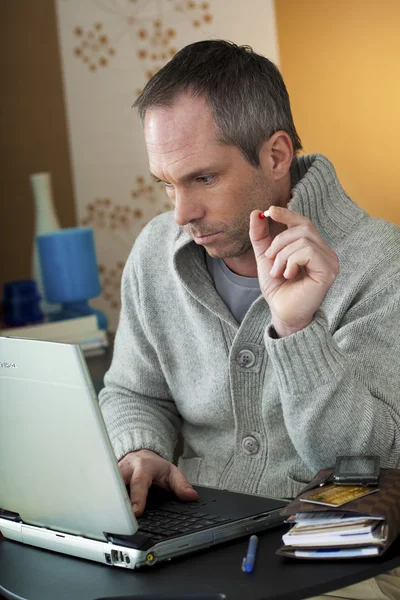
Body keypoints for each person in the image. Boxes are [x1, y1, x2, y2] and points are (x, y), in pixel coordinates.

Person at [99, 40, 400, 599]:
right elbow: (132, 392)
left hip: (327, 558)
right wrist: (140, 449)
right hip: (186, 544)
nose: (181, 213)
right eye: (167, 183)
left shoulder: (380, 261)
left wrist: (297, 331)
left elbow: (368, 462)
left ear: (276, 155)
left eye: (203, 179)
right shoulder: (152, 254)